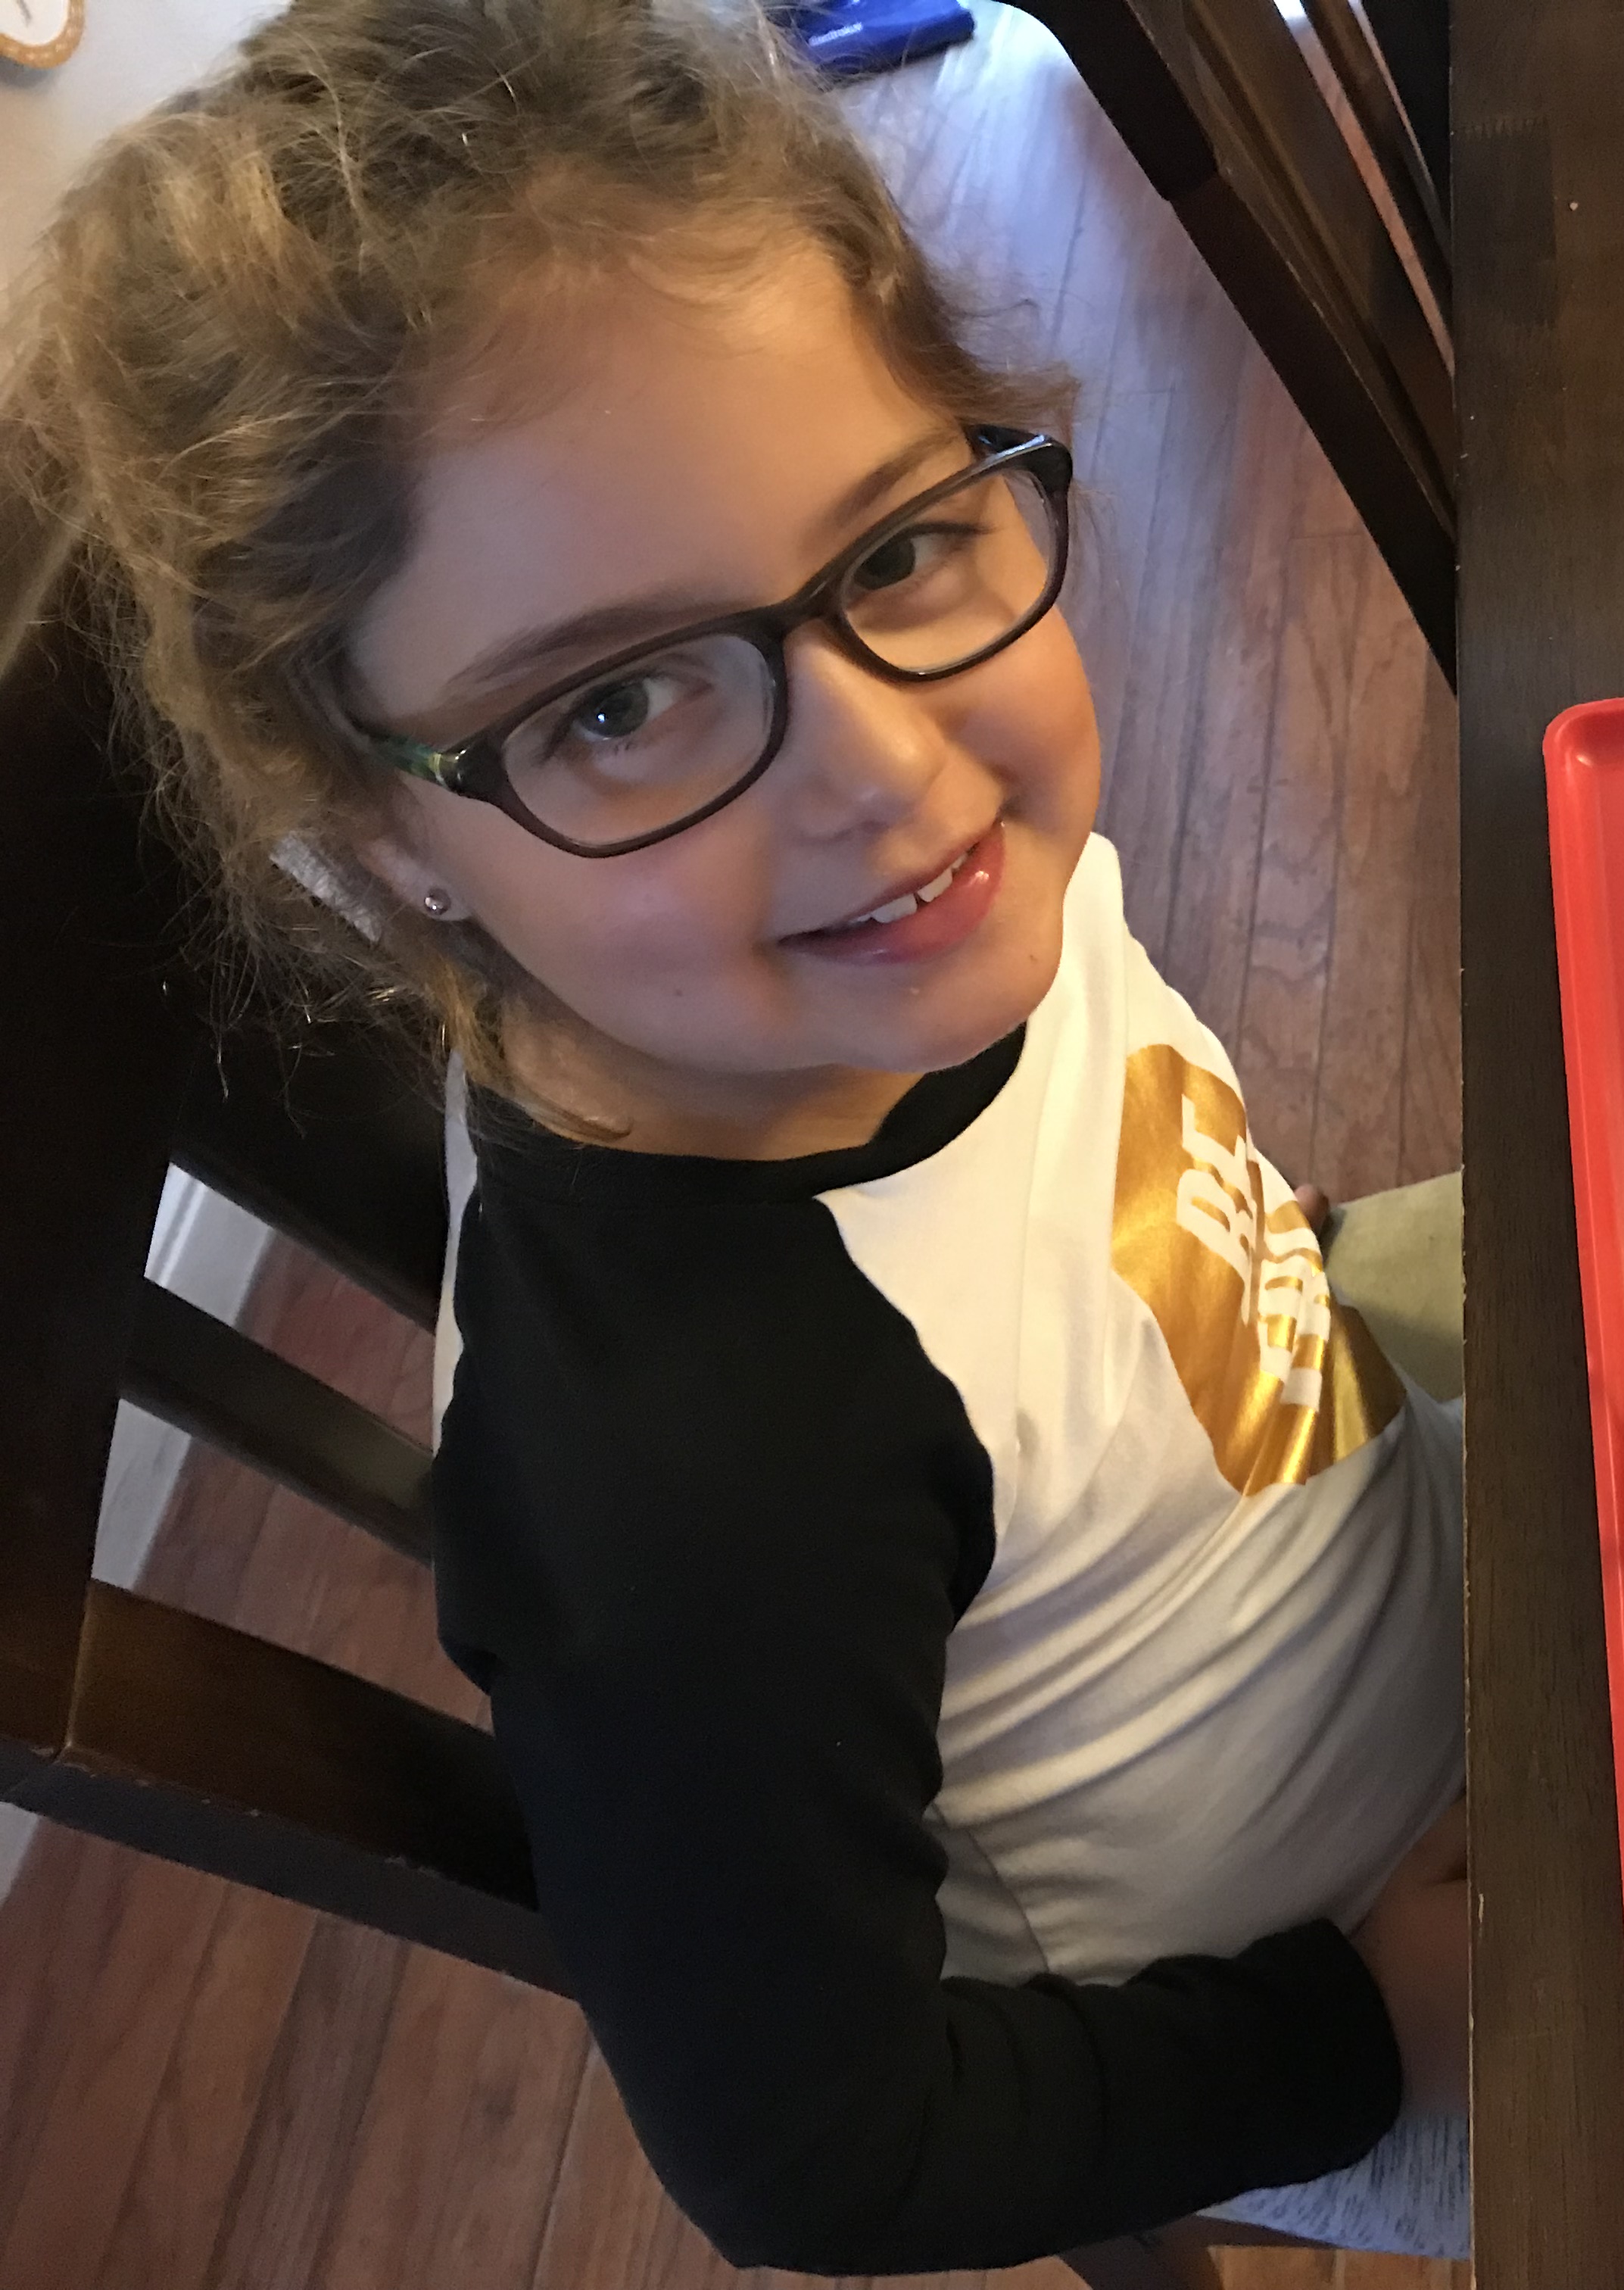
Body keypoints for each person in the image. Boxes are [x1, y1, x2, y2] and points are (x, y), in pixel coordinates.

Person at [4, 0, 1470, 2271]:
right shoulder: (695, 1486)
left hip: (1394, 1535)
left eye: (893, 553)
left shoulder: (895, 931)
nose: (885, 770)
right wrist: (1361, 2030)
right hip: (1353, 1967)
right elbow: (820, 2157)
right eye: (617, 702)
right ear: (384, 843)